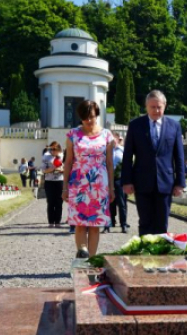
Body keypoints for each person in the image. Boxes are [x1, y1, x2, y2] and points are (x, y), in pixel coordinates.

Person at [122, 90, 185, 236]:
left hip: (166, 182)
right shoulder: (135, 125)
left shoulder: (174, 126)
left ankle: (161, 257)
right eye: (152, 107)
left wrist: (180, 182)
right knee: (145, 222)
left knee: (162, 223)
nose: (156, 110)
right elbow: (128, 155)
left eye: (159, 107)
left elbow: (179, 156)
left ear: (165, 106)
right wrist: (127, 181)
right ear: (146, 106)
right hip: (142, 182)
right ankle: (144, 256)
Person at [62, 100, 115, 258]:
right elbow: (68, 162)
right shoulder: (73, 134)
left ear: (96, 115)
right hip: (78, 183)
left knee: (95, 224)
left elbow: (110, 163)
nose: (88, 120)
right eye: (85, 117)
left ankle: (91, 261)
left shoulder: (107, 135)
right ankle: (82, 253)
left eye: (91, 117)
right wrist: (65, 187)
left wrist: (111, 187)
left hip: (100, 184)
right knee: (80, 223)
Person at [104, 133, 129, 233]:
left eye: (114, 141)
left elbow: (127, 164)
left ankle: (123, 224)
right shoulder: (105, 151)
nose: (112, 142)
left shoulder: (123, 151)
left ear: (118, 140)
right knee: (108, 203)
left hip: (119, 179)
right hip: (107, 179)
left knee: (121, 203)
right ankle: (107, 225)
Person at [41, 142, 64, 227]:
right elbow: (43, 170)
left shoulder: (62, 155)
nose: (54, 152)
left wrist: (62, 169)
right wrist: (52, 168)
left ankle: (57, 222)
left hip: (60, 180)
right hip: (49, 181)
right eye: (52, 149)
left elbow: (66, 166)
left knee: (59, 202)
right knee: (51, 202)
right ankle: (51, 222)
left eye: (56, 150)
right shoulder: (46, 156)